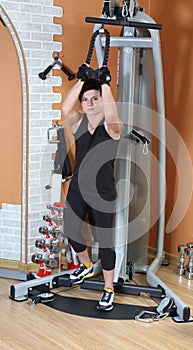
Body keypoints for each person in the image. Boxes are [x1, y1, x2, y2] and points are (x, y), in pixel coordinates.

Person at [62, 63, 122, 311]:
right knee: (70, 228)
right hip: (78, 187)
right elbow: (66, 108)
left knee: (105, 243)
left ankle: (108, 289)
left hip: (103, 192)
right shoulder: (78, 124)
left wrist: (105, 83)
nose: (89, 103)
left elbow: (112, 113)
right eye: (86, 100)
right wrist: (81, 81)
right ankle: (86, 266)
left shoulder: (111, 128)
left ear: (101, 100)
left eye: (94, 99)